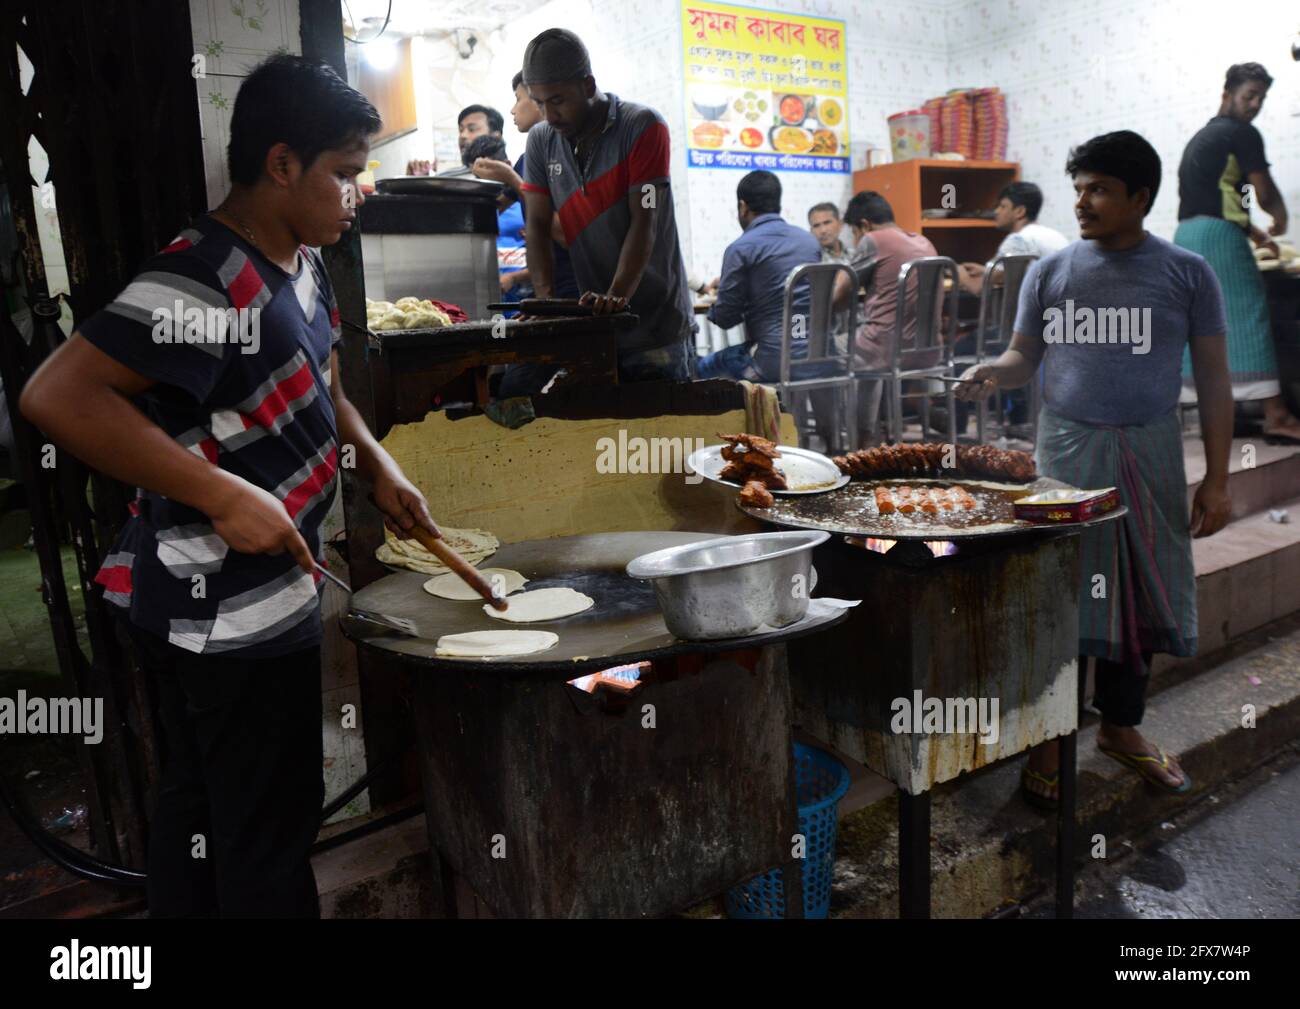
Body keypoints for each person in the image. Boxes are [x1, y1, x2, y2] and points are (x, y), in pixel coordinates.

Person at [18, 55, 441, 917]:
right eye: (346, 174)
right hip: (221, 612)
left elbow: (325, 383)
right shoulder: (201, 277)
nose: (356, 195)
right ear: (281, 164)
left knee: (204, 808)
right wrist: (220, 494)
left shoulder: (299, 256)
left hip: (256, 598)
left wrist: (375, 460)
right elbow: (55, 394)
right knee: (264, 834)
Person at [955, 130, 1234, 809]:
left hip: (1150, 453)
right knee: (1065, 593)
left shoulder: (1187, 273)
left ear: (1140, 196)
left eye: (1100, 189)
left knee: (1135, 592)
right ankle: (1054, 737)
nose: (1083, 201)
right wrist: (995, 370)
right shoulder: (1051, 271)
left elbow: (1216, 380)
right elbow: (1025, 356)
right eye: (1078, 187)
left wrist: (1220, 477)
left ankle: (1120, 727)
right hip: (1068, 455)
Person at [519, 28, 695, 382]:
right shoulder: (541, 141)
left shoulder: (643, 127)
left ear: (587, 85)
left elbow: (645, 219)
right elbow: (537, 226)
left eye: (557, 100)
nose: (549, 115)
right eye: (539, 103)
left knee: (664, 436)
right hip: (599, 328)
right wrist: (546, 302)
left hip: (657, 326)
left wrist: (617, 296)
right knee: (608, 436)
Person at [1175, 62, 1299, 442]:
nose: (1255, 105)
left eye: (1261, 98)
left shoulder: (1202, 137)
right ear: (1227, 93)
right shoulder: (1243, 133)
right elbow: (1261, 191)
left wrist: (1256, 233)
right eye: (1249, 96)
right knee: (1249, 315)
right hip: (1218, 238)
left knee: (1204, 324)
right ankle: (1277, 416)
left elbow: (1220, 197)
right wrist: (1279, 216)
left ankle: (1220, 412)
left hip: (1187, 235)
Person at [831, 191, 938, 441]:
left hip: (885, 351)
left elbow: (836, 297)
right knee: (868, 341)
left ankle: (841, 440)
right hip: (928, 351)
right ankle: (870, 434)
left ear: (865, 225)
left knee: (817, 353)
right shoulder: (924, 241)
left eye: (854, 233)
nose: (856, 240)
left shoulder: (873, 240)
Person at [696, 171, 821, 382]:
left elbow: (725, 318)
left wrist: (725, 294)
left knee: (700, 368)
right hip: (818, 355)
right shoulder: (809, 242)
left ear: (743, 206)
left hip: (770, 361)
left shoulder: (741, 248)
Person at [957, 181, 1070, 295]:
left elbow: (979, 289)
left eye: (1002, 206)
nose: (996, 211)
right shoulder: (1054, 235)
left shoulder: (1018, 240)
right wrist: (986, 270)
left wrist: (961, 276)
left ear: (1020, 211)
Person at [464, 135, 531, 309]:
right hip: (487, 303)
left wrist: (514, 277)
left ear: (506, 166)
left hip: (525, 302)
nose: (482, 181)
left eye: (487, 172)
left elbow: (549, 260)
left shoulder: (527, 205)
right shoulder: (475, 212)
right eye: (477, 175)